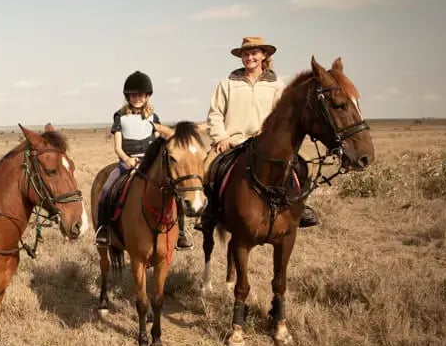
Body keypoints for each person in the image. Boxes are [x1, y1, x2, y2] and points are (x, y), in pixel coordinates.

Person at [201, 35, 318, 228]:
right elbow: (215, 113)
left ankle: (300, 207)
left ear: (264, 55)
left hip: (264, 144)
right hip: (233, 142)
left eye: (254, 53)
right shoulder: (227, 83)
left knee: (305, 163)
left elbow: (282, 118)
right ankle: (211, 211)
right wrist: (221, 137)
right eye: (245, 54)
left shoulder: (276, 85)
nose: (249, 57)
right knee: (207, 167)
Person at [94, 71, 190, 247]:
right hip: (127, 162)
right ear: (128, 96)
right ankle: (104, 229)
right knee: (107, 188)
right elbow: (117, 146)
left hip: (149, 163)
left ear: (147, 96)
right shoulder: (120, 117)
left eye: (141, 94)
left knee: (175, 191)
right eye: (133, 95)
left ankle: (181, 233)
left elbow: (158, 141)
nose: (137, 98)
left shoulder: (154, 117)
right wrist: (127, 160)